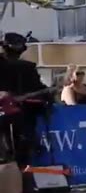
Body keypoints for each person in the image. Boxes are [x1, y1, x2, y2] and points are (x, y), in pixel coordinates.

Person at [0, 32, 53, 169]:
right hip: (22, 117)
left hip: (18, 116)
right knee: (22, 150)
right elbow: (41, 90)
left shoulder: (26, 68)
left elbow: (40, 91)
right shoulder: (27, 67)